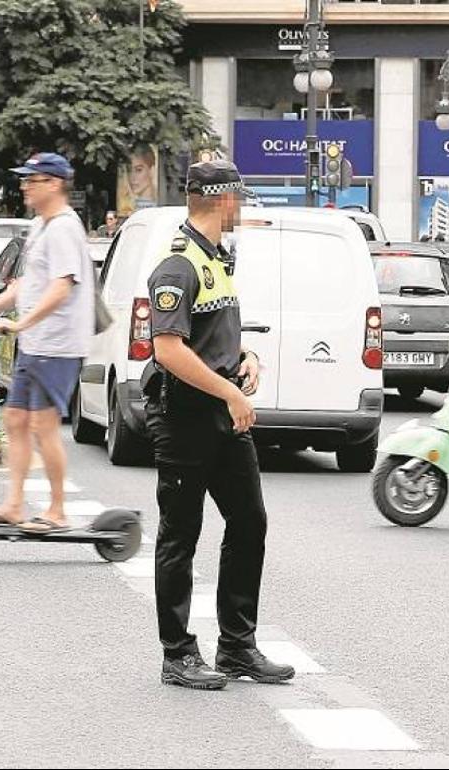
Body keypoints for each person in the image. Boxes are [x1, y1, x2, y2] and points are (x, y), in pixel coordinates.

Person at [145, 159, 293, 690]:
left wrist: (244, 357)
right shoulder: (178, 264)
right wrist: (229, 390)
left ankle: (236, 647)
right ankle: (178, 654)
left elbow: (209, 335)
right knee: (180, 534)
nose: (243, 209)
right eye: (241, 200)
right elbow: (167, 351)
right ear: (224, 200)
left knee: (249, 521)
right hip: (184, 415)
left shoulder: (215, 258)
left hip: (221, 412)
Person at [0, 152, 94, 533]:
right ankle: (14, 504)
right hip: (35, 342)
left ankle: (57, 511)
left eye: (32, 180)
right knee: (15, 418)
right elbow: (27, 283)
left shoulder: (64, 228)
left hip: (56, 344)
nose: (24, 186)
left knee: (43, 425)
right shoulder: (40, 226)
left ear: (54, 184)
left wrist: (21, 323)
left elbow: (61, 286)